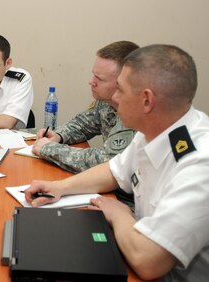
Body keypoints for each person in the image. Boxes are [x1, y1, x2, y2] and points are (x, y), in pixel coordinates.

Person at [24, 45, 209, 281]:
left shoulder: (200, 165)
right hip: (134, 243)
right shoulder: (155, 129)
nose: (114, 97)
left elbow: (147, 261)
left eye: (120, 89)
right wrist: (59, 188)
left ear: (146, 101)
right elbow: (114, 170)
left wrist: (119, 215)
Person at [33, 41, 139, 174]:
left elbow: (108, 162)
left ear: (123, 82)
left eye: (99, 78)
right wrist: (59, 135)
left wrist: (50, 149)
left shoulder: (135, 114)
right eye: (93, 74)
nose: (91, 81)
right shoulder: (106, 101)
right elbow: (83, 125)